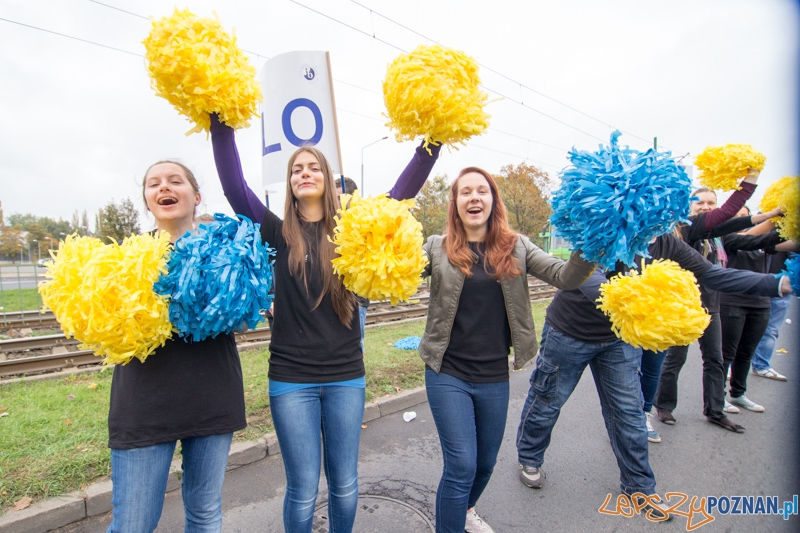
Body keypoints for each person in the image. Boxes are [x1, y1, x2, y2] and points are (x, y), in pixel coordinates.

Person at [209, 113, 440, 533]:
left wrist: (434, 141)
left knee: (345, 483)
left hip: (345, 376)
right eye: (297, 169)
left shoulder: (354, 231)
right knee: (301, 487)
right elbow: (233, 187)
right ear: (290, 183)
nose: (305, 173)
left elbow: (402, 193)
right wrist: (218, 123)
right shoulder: (275, 232)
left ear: (328, 177)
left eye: (314, 166)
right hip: (290, 379)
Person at [515, 230, 791, 519]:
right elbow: (588, 279)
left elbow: (713, 275)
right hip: (569, 332)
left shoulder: (667, 242)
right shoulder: (604, 231)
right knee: (548, 398)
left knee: (629, 412)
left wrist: (778, 283)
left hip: (620, 338)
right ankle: (529, 457)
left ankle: (639, 487)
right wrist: (651, 307)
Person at [419, 167, 594, 533]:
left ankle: (464, 511)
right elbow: (397, 272)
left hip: (493, 374)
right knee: (462, 465)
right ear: (455, 203)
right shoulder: (437, 246)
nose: (474, 198)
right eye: (465, 192)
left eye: (482, 191)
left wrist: (593, 242)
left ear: (493, 199)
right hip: (446, 370)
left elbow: (566, 277)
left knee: (485, 464)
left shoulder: (516, 245)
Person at [107, 160, 246, 532]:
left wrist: (252, 299)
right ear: (149, 202)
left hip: (212, 394)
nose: (163, 187)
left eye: (175, 181)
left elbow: (243, 318)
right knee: (133, 523)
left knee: (204, 514)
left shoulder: (227, 253)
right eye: (154, 184)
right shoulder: (124, 260)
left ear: (196, 196)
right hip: (143, 402)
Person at [653, 175, 782, 433]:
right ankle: (664, 405)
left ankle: (715, 410)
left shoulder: (715, 238)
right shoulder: (687, 229)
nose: (706, 207)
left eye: (711, 202)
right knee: (675, 358)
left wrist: (772, 216)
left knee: (715, 359)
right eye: (700, 203)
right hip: (682, 306)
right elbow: (726, 214)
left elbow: (734, 225)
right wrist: (748, 185)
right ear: (689, 208)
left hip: (711, 304)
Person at [720, 209, 795, 413]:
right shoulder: (726, 238)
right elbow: (750, 238)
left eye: (744, 215)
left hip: (760, 302)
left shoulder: (762, 242)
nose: (740, 219)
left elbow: (783, 244)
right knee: (726, 353)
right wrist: (775, 216)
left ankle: (738, 393)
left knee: (746, 352)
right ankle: (718, 397)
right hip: (732, 300)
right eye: (735, 216)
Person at [751, 250, 793, 381]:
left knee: (772, 330)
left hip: (781, 282)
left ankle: (761, 366)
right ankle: (727, 366)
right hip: (752, 279)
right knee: (738, 325)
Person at [342, 176, 370, 349]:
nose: (338, 204)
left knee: (355, 347)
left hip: (356, 301)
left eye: (342, 198)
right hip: (332, 302)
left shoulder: (366, 225)